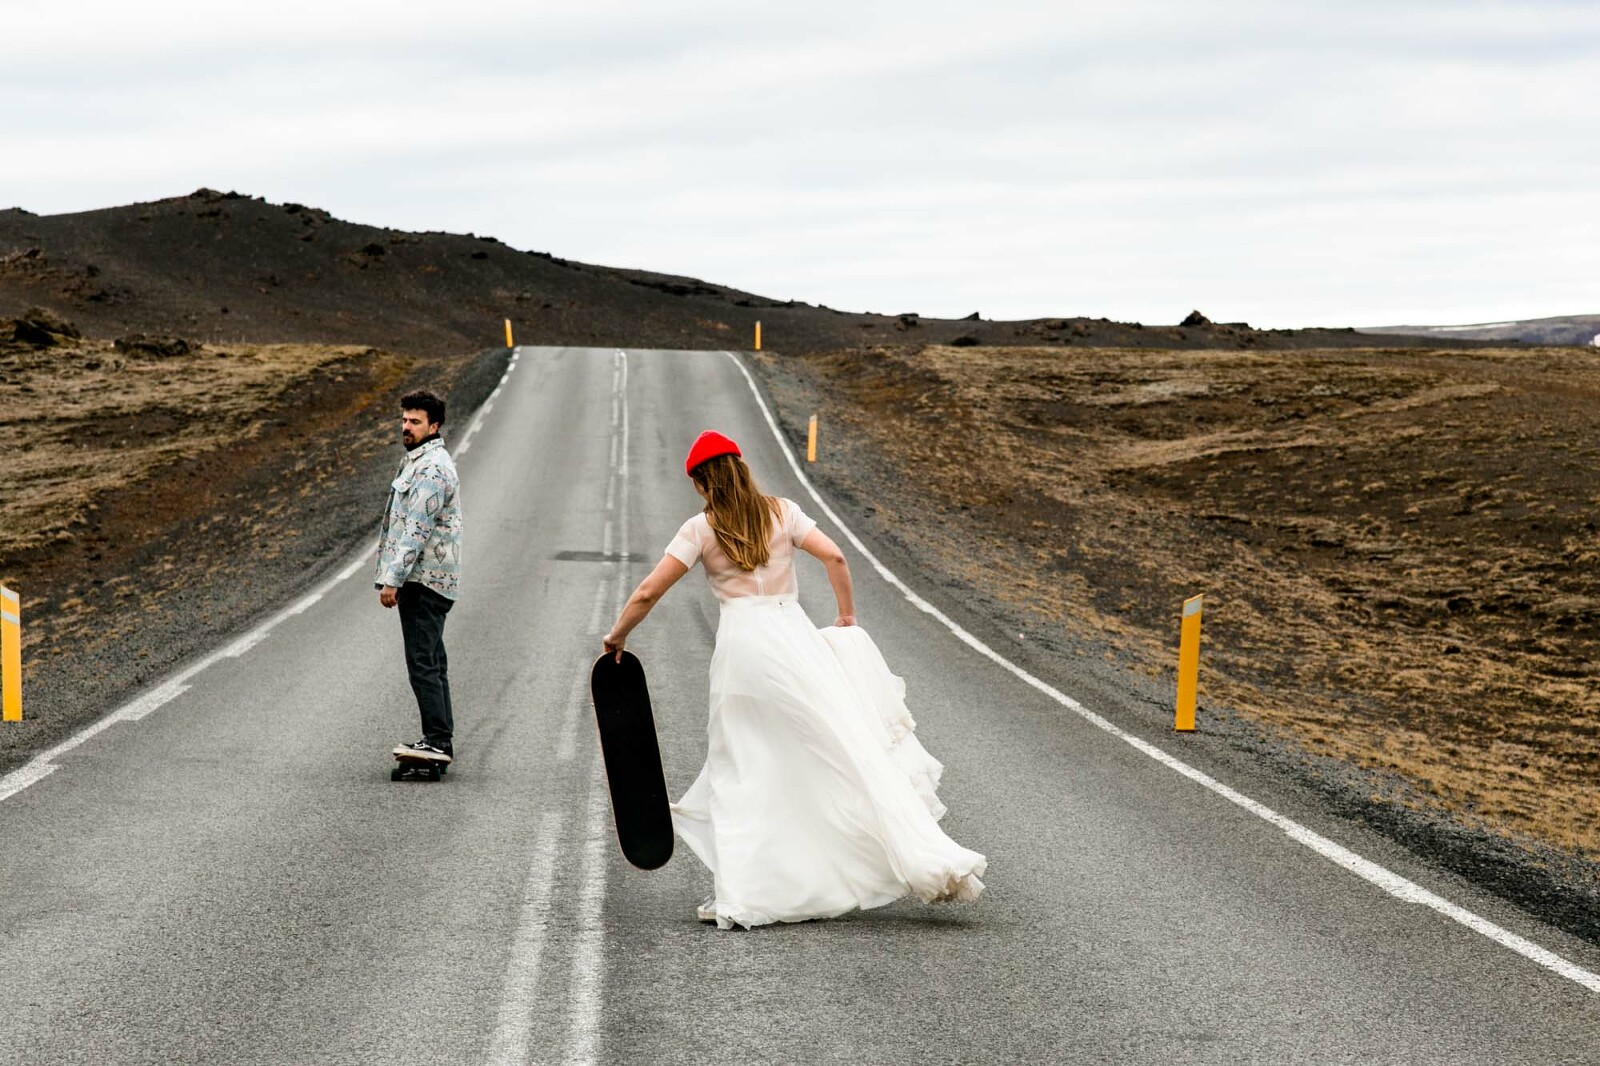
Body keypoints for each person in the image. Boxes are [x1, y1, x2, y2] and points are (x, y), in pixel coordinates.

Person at [604, 429, 986, 929]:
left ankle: (744, 894)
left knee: (742, 770)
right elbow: (835, 557)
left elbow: (649, 592)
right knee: (839, 752)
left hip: (742, 653)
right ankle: (903, 853)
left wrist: (617, 636)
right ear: (742, 468)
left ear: (701, 482)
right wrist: (846, 616)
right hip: (795, 643)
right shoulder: (783, 512)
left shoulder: (700, 529)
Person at [375, 389, 463, 765]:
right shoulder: (418, 461)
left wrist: (392, 579)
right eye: (405, 420)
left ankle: (437, 742)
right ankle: (440, 738)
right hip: (426, 580)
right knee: (432, 661)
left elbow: (416, 529)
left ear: (434, 426)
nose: (407, 427)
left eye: (415, 421)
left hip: (423, 581)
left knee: (423, 663)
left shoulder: (431, 469)